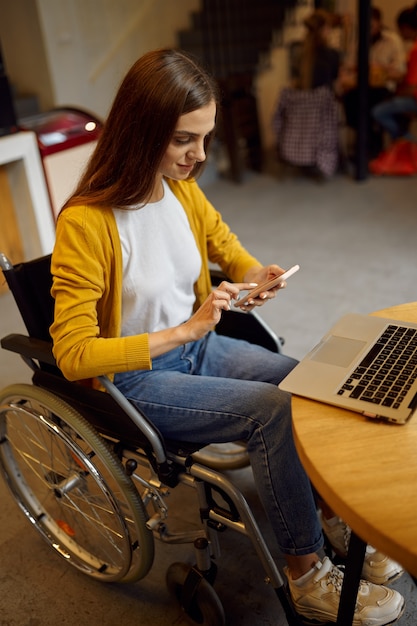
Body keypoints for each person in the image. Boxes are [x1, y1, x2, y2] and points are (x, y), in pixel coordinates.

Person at [49, 48, 404, 624]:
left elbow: (224, 244)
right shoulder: (87, 223)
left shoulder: (180, 190)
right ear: (142, 132)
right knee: (272, 411)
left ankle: (327, 513)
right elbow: (72, 354)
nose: (200, 156)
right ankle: (307, 573)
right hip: (135, 379)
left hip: (200, 347)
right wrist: (184, 330)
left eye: (205, 138)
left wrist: (253, 272)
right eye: (186, 140)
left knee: (305, 381)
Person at [340, 6, 406, 157]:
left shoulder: (392, 40)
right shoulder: (358, 40)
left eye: (371, 25)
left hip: (383, 87)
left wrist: (382, 69)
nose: (368, 29)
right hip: (361, 85)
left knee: (370, 102)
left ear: (379, 23)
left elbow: (400, 71)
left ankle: (371, 147)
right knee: (350, 100)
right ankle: (364, 143)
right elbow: (349, 65)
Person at [372, 4, 417, 143]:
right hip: (410, 95)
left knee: (378, 111)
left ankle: (409, 142)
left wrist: (395, 95)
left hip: (413, 98)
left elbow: (412, 87)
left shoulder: (414, 50)